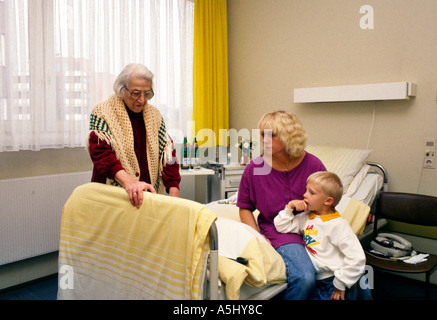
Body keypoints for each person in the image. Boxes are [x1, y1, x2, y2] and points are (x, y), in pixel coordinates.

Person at [236, 110, 326, 300]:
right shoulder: (255, 168)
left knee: (354, 275)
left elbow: (327, 202)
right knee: (304, 277)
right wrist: (258, 237)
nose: (265, 140)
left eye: (272, 135)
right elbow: (244, 207)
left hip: (313, 228)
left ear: (289, 137)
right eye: (262, 135)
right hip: (279, 232)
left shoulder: (313, 165)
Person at [87, 63, 181, 208]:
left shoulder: (155, 116)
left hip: (147, 197)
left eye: (147, 93)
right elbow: (101, 154)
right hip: (112, 198)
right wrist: (130, 183)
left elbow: (168, 154)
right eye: (136, 93)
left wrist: (174, 194)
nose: (142, 100)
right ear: (122, 89)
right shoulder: (102, 112)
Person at [274, 171, 370, 300]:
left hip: (336, 281)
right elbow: (281, 226)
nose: (304, 195)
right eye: (306, 190)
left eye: (311, 193)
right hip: (320, 281)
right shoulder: (306, 217)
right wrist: (289, 208)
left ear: (328, 201)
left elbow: (357, 257)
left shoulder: (338, 225)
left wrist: (341, 284)